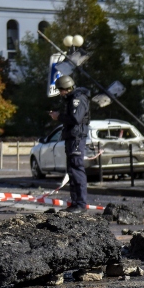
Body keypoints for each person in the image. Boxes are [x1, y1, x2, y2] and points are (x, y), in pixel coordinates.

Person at [49, 75, 90, 213]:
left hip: (76, 138)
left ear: (66, 88)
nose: (60, 93)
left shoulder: (78, 99)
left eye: (61, 90)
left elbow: (76, 118)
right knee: (72, 170)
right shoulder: (72, 99)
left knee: (76, 169)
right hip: (72, 138)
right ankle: (75, 202)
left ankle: (80, 204)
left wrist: (58, 116)